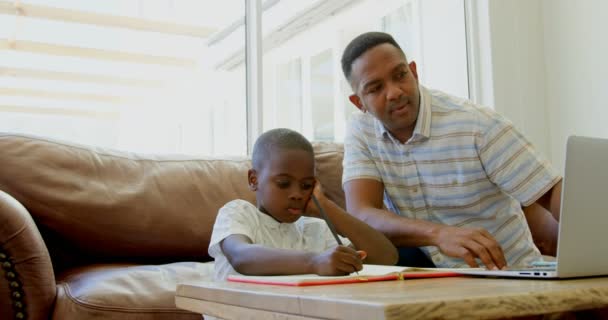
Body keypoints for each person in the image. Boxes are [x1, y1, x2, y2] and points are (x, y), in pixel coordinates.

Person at [340, 31, 562, 270]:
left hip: (508, 275)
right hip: (434, 281)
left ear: (414, 72)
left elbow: (554, 194)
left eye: (400, 75)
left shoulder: (477, 124)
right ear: (359, 102)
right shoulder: (361, 130)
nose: (394, 92)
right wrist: (438, 234)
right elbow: (361, 213)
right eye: (375, 88)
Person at [208, 128, 398, 283]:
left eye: (307, 186)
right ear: (254, 179)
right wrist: (314, 261)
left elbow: (387, 258)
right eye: (283, 183)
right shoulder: (238, 212)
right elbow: (242, 257)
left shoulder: (315, 229)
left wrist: (326, 207)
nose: (297, 194)